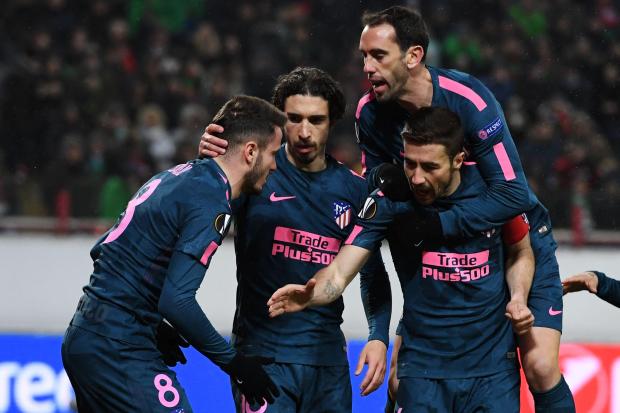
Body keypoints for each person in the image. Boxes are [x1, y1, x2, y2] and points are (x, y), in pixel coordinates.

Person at [354, 6, 575, 411]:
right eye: (364, 56)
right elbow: (378, 206)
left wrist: (437, 225)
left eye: (378, 55)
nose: (367, 67)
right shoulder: (369, 114)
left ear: (414, 55)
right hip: (443, 245)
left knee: (541, 365)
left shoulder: (469, 99)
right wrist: (378, 332)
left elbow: (513, 196)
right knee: (402, 379)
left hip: (514, 234)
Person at [268, 107, 535, 411]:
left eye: (430, 167)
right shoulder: (390, 201)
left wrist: (518, 297)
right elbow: (341, 271)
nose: (417, 178)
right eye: (410, 164)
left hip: (492, 371)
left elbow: (521, 252)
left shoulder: (494, 192)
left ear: (459, 159)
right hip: (422, 371)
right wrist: (312, 295)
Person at [61, 95, 286, 412]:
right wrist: (235, 364)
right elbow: (177, 301)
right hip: (118, 346)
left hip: (87, 333)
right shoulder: (211, 201)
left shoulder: (176, 176)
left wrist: (149, 321)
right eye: (274, 153)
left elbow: (103, 251)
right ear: (251, 152)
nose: (276, 165)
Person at [200, 67, 392, 413]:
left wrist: (378, 336)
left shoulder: (353, 190)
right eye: (294, 118)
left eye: (316, 120)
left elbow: (373, 273)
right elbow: (198, 207)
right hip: (263, 357)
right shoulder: (253, 174)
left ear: (332, 121)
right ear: (279, 119)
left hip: (327, 362)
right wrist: (205, 166)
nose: (304, 131)